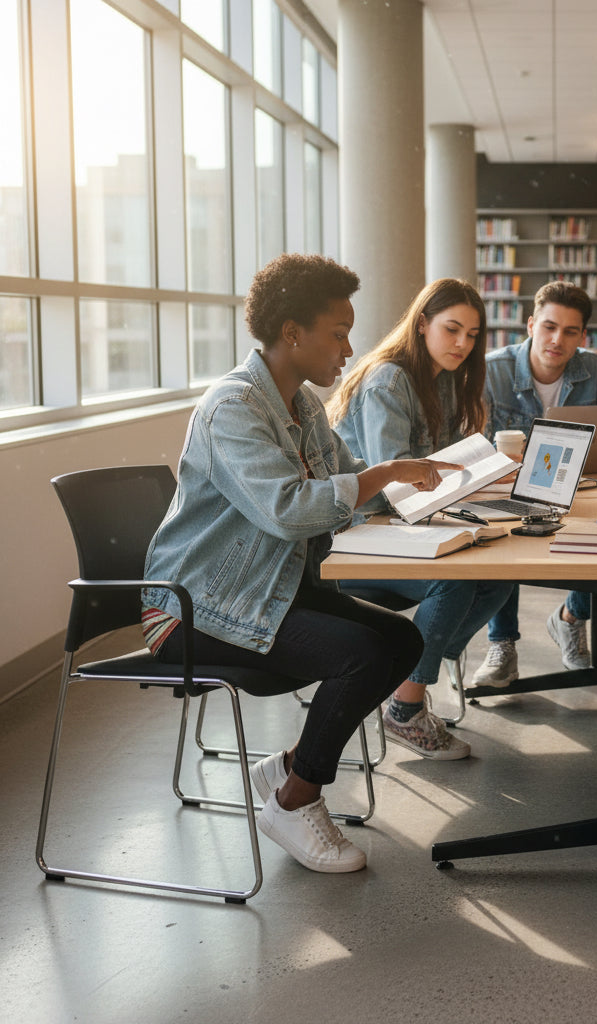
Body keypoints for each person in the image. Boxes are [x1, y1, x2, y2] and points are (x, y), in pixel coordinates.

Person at [143, 254, 460, 873]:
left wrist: (431, 492)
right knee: (361, 654)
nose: (348, 349)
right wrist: (387, 474)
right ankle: (295, 800)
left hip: (269, 588)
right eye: (338, 333)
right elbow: (288, 510)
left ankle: (291, 768)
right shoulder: (233, 407)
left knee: (402, 639)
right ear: (292, 332)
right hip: (196, 608)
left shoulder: (304, 405)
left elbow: (350, 486)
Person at [326, 278, 515, 757]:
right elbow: (394, 482)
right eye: (452, 329)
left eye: (472, 335)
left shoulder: (444, 380)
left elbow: (442, 468)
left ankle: (412, 668)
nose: (462, 344)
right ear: (422, 323)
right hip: (355, 533)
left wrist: (486, 477)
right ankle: (404, 709)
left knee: (501, 571)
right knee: (452, 582)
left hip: (400, 525)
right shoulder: (389, 381)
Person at [471, 281, 597, 687]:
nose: (557, 340)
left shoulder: (596, 370)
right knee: (502, 540)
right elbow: (472, 444)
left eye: (570, 331)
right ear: (531, 325)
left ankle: (570, 617)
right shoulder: (493, 371)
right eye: (549, 327)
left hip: (581, 489)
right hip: (508, 488)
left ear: (583, 336)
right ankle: (502, 644)